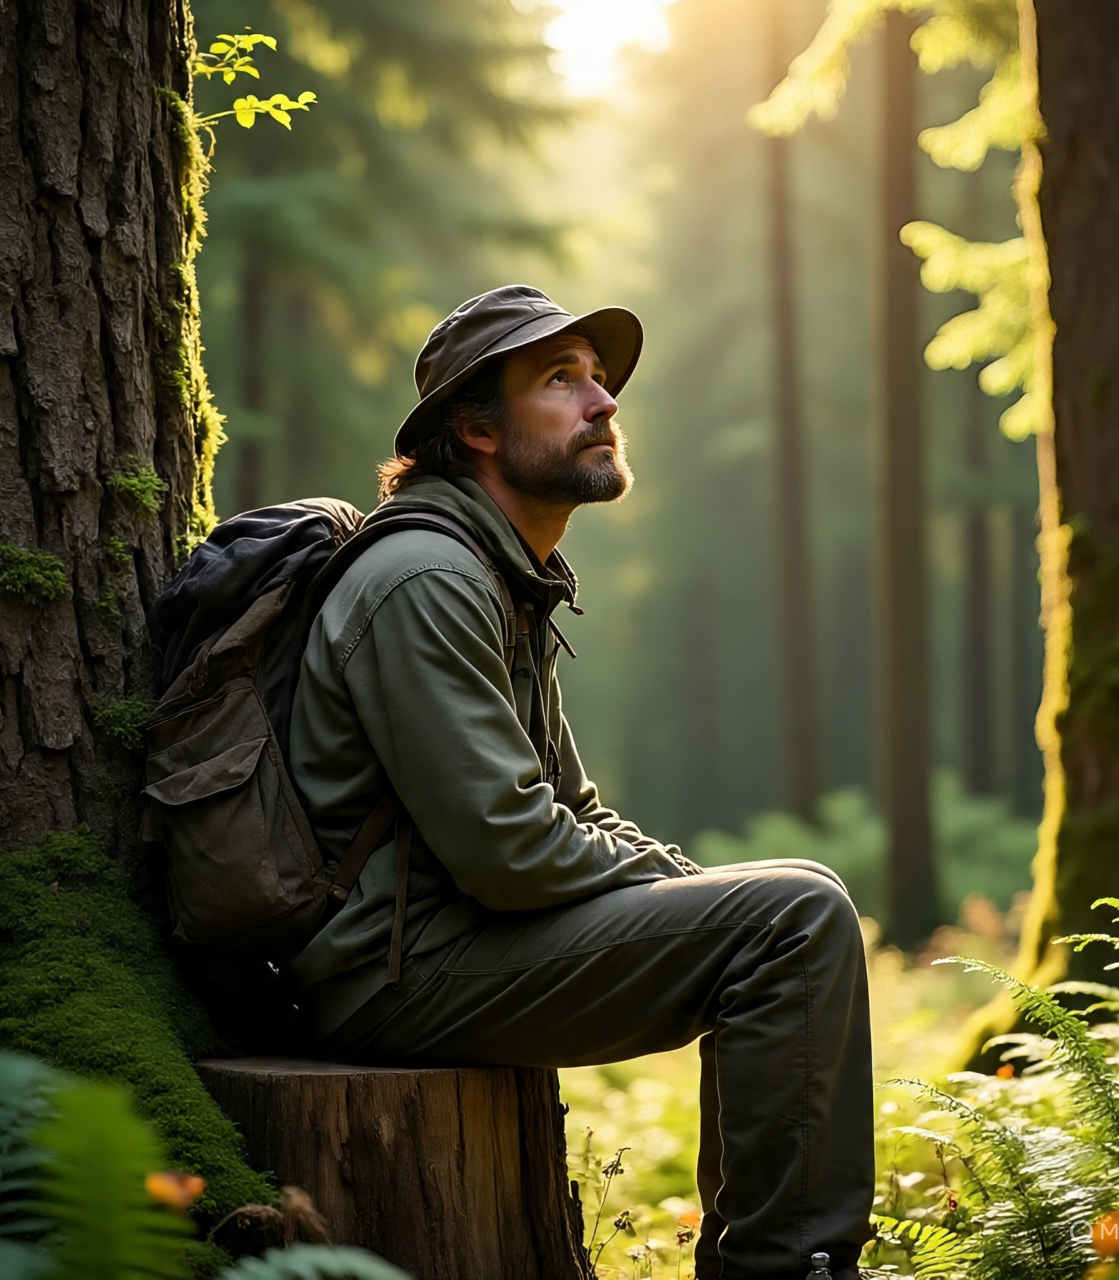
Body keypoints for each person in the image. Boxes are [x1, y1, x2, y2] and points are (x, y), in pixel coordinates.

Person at [286, 284, 874, 1280]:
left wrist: (679, 882)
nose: (603, 401)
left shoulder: (499, 573)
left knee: (785, 909)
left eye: (598, 378)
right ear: (475, 427)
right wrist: (685, 893)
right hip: (389, 973)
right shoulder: (426, 578)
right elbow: (512, 847)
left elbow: (572, 810)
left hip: (452, 938)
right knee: (796, 919)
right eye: (560, 379)